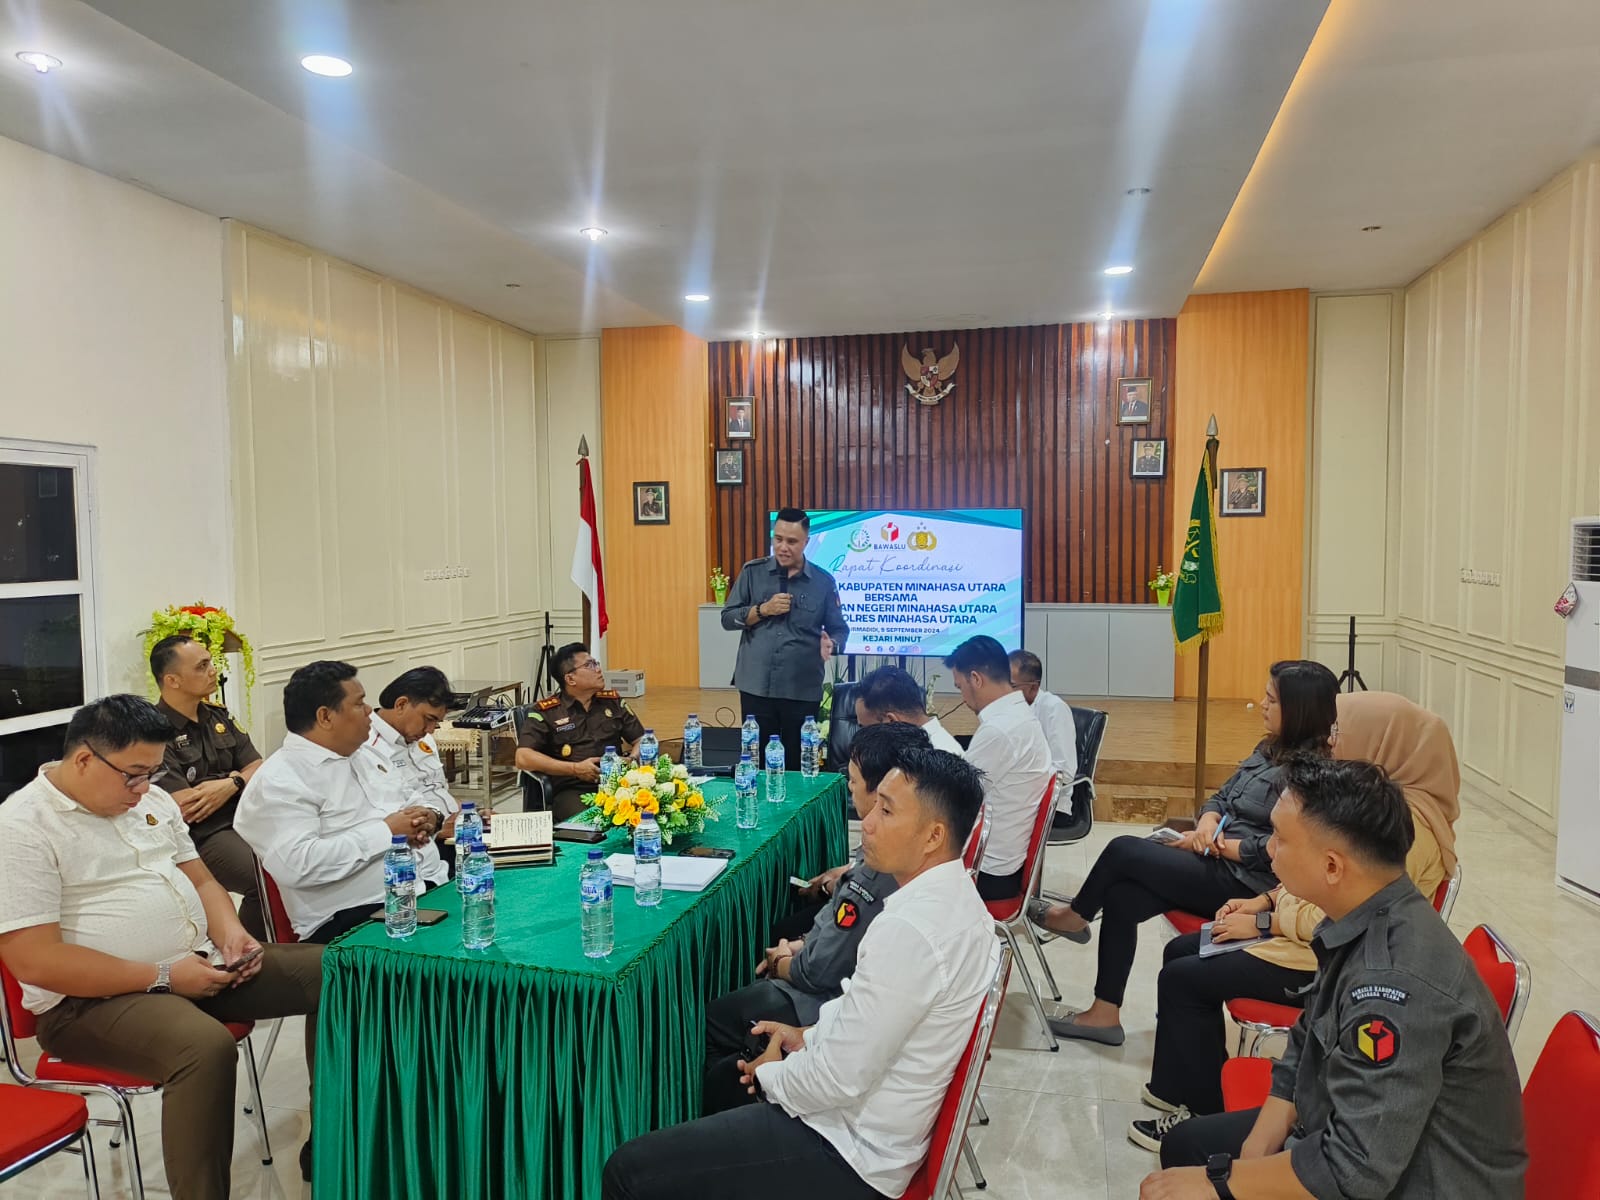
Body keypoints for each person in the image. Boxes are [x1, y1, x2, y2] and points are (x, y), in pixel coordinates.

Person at [601, 747, 997, 1200]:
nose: (866, 821)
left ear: (933, 836)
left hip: (850, 1150)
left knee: (628, 1171)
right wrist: (803, 1035)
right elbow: (866, 1014)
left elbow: (837, 1080)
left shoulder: (911, 930)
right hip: (869, 1123)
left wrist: (771, 1075)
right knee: (731, 1075)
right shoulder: (955, 902)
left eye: (886, 811)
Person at [1142, 756, 1526, 1199]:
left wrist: (1223, 1185)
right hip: (1352, 1128)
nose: (1268, 849)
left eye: (1281, 840)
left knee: (1190, 1177)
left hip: (1420, 1179)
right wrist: (1260, 1142)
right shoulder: (1359, 913)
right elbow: (1310, 1034)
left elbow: (1353, 1172)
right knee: (1187, 1146)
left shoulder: (1394, 985)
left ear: (1332, 867)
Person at [0, 695, 325, 1194]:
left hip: (195, 970)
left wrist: (231, 935)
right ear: (84, 759)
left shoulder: (148, 802)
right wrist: (164, 977)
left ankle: (336, 1137)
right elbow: (36, 960)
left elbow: (202, 881)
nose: (144, 788)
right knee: (204, 1047)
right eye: (133, 774)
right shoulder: (21, 826)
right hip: (87, 1006)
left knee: (343, 973)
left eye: (152, 773)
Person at [1131, 691, 1462, 1148]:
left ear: (1383, 745)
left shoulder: (1402, 829)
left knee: (1187, 977)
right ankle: (1181, 1091)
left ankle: (1201, 1110)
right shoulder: (1369, 808)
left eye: (1341, 733)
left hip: (1319, 960)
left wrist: (1265, 924)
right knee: (1182, 950)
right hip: (1305, 941)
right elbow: (1309, 883)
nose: (1330, 743)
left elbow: (1340, 916)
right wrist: (1263, 903)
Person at [1031, 660, 1338, 1045]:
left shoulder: (1313, 775)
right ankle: (1104, 1014)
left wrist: (1219, 846)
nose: (1261, 704)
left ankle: (1075, 916)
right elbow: (1224, 796)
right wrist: (1206, 824)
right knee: (1123, 897)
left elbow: (1277, 849)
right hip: (1213, 855)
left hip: (1246, 883)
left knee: (1124, 849)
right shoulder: (1268, 748)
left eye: (1271, 699)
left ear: (1299, 710)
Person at [702, 722, 928, 1113]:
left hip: (824, 1001)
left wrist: (782, 961)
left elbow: (819, 971)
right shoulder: (905, 842)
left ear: (882, 791)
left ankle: (735, 1112)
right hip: (833, 975)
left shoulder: (882, 864)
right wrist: (801, 945)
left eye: (854, 781)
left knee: (715, 1018)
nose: (850, 789)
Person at [235, 661, 436, 944]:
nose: (370, 711)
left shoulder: (365, 754)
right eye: (359, 703)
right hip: (349, 923)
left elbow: (411, 798)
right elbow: (299, 865)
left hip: (417, 892)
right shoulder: (281, 780)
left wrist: (427, 816)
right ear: (325, 717)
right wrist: (386, 832)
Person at [150, 634, 268, 938]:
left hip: (246, 817)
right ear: (173, 680)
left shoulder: (217, 716)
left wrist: (231, 783)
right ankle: (253, 952)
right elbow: (187, 804)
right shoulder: (154, 732)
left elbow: (258, 766)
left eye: (211, 663)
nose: (213, 670)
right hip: (204, 834)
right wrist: (238, 778)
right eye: (202, 666)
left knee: (296, 858)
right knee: (262, 879)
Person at [720, 507, 849, 766]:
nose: (783, 547)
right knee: (754, 762)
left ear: (806, 542)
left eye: (791, 541)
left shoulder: (823, 582)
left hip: (801, 689)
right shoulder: (752, 572)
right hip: (756, 686)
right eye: (778, 539)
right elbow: (727, 618)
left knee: (796, 763)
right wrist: (762, 610)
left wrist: (831, 644)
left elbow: (840, 630)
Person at [946, 635, 1052, 901]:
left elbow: (954, 799)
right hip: (1007, 863)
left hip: (986, 872)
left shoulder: (999, 730)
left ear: (976, 679)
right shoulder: (1021, 717)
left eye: (960, 687)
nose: (963, 698)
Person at [362, 666, 469, 882]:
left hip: (453, 830)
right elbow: (390, 815)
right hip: (425, 844)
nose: (430, 730)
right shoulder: (366, 746)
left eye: (436, 723)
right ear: (401, 704)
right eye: (428, 719)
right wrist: (439, 829)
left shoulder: (423, 738)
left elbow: (436, 790)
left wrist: (472, 813)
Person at [514, 643, 644, 820]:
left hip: (618, 785)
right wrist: (575, 769)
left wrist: (631, 759)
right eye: (590, 665)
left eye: (596, 663)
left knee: (655, 810)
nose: (598, 669)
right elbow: (523, 757)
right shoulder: (546, 712)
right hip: (574, 790)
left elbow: (642, 739)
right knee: (596, 821)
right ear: (570, 679)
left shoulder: (611, 702)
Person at [1008, 649, 1080, 842]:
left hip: (1050, 806)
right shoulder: (1010, 711)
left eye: (1011, 685)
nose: (1004, 691)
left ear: (1033, 687)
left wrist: (1019, 778)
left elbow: (1064, 772)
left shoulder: (1053, 709)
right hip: (1017, 797)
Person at [853, 664, 963, 753]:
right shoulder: (919, 746)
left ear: (891, 721)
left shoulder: (930, 761)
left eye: (866, 731)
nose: (865, 740)